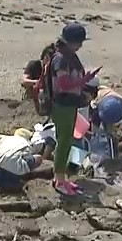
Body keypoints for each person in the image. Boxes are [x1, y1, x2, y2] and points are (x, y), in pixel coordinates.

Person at [47, 23, 89, 195]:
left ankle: (61, 178)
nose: (81, 45)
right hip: (62, 104)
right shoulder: (61, 59)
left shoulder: (68, 56)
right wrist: (83, 80)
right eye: (79, 42)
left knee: (66, 141)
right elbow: (63, 85)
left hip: (69, 104)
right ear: (71, 42)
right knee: (64, 142)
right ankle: (59, 180)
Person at [0, 128, 49, 193]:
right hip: (8, 174)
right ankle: (22, 178)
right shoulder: (26, 143)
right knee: (38, 158)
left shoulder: (7, 139)